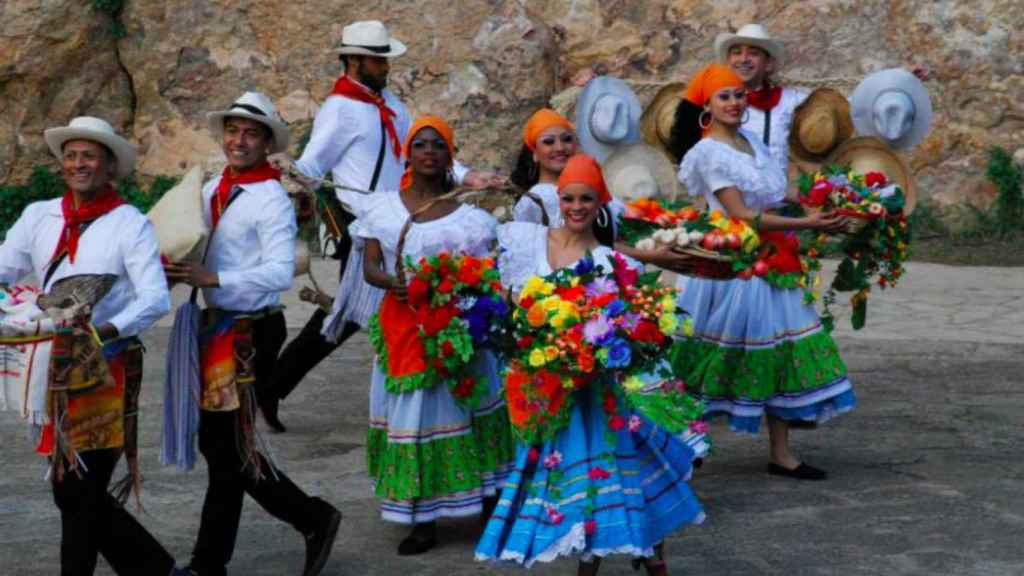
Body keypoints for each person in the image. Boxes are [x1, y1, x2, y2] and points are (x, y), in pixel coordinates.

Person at [266, 20, 504, 432]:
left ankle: (427, 396)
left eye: (385, 58)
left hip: (406, 218)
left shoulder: (392, 102)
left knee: (387, 312)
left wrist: (467, 176)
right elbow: (313, 166)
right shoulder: (339, 110)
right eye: (378, 59)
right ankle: (271, 388)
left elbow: (419, 153)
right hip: (368, 226)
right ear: (354, 60)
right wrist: (285, 169)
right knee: (345, 317)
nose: (386, 67)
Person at [476, 155, 705, 575]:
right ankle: (632, 552)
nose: (576, 207)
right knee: (582, 476)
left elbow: (622, 325)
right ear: (557, 199)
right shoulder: (527, 241)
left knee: (610, 469)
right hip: (547, 390)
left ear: (600, 204)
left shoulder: (606, 261)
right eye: (568, 198)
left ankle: (640, 552)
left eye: (587, 198)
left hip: (595, 391)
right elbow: (511, 305)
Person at [164, 92, 341, 576]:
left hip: (250, 332)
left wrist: (215, 280)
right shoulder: (212, 188)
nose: (239, 141)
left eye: (250, 133)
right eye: (233, 131)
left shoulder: (269, 199)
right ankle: (308, 518)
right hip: (216, 328)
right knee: (223, 449)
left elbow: (280, 272)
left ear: (265, 142)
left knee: (226, 450)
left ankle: (222, 557)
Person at [0, 116, 184, 575]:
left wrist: (102, 333)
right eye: (72, 155)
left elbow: (155, 297)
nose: (78, 164)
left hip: (106, 368)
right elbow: (3, 269)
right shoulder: (38, 216)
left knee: (79, 489)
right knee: (73, 489)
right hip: (53, 370)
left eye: (89, 157)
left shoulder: (129, 224)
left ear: (108, 168)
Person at [670, 64, 855, 480]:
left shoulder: (750, 140)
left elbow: (773, 191)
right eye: (724, 96)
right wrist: (807, 224)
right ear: (707, 105)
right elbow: (741, 214)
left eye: (738, 95)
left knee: (780, 351)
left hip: (771, 262)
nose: (735, 103)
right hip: (731, 268)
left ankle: (781, 453)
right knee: (707, 360)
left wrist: (815, 201)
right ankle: (681, 443)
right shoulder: (708, 153)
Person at [359, 115, 515, 555]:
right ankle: (422, 521)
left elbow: (486, 273)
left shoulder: (471, 219)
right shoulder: (383, 209)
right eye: (421, 145)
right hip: (404, 329)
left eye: (438, 146)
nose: (429, 152)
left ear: (450, 155)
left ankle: (488, 502)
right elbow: (371, 267)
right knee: (415, 418)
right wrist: (395, 283)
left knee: (470, 410)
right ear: (409, 154)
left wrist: (458, 290)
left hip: (457, 329)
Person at [707, 24, 807, 172]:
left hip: (776, 192)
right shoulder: (712, 103)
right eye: (736, 52)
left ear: (768, 64)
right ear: (728, 62)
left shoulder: (790, 101)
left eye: (753, 53)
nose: (744, 59)